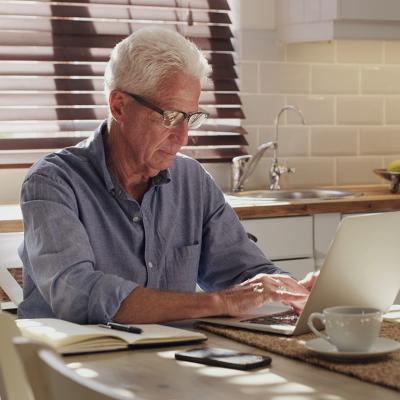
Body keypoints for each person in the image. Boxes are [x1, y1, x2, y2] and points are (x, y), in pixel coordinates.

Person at [18, 27, 316, 325]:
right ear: (119, 106)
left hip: (171, 358)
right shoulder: (53, 182)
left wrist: (290, 289)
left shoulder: (192, 180)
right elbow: (78, 295)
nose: (183, 137)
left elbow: (242, 271)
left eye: (190, 118)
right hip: (71, 362)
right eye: (170, 117)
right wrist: (220, 302)